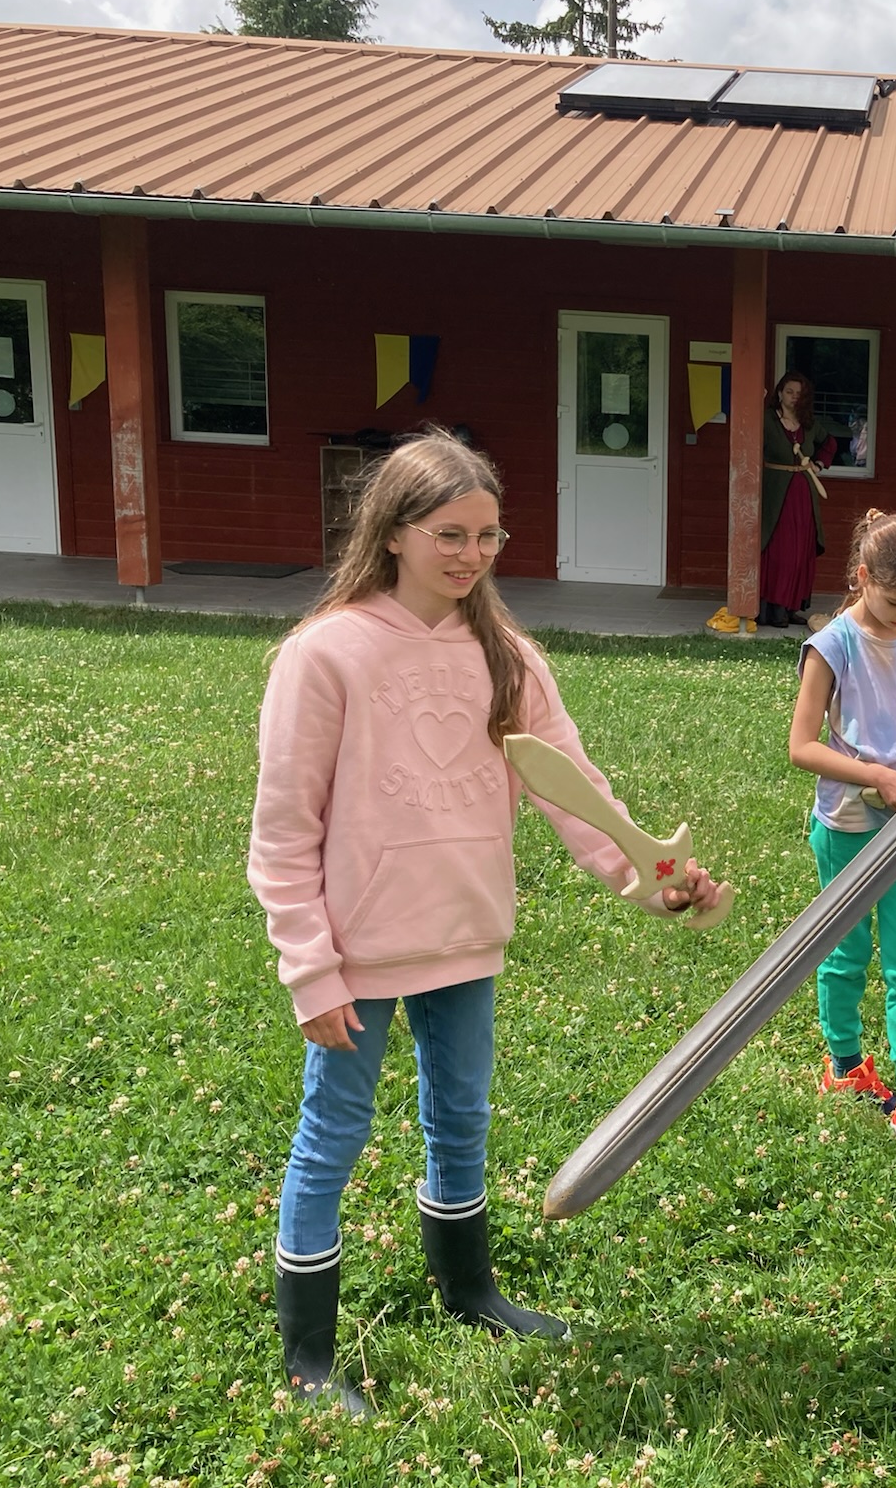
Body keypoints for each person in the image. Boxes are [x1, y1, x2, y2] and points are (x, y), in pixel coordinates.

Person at [248, 432, 719, 1412]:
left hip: (466, 937)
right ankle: (309, 1359)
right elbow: (284, 830)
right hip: (358, 954)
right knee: (333, 1136)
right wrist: (310, 969)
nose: (472, 555)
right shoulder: (324, 654)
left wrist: (652, 879)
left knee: (461, 1119)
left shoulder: (509, 657)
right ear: (392, 533)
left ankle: (469, 1291)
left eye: (488, 536)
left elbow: (574, 792)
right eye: (450, 535)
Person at [787, 510, 896, 1159]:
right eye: (894, 603)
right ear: (862, 577)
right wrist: (876, 775)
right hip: (848, 825)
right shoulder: (833, 646)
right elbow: (802, 746)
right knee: (845, 954)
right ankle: (844, 1064)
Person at [708, 370, 841, 635]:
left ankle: (791, 607)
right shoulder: (766, 419)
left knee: (800, 552)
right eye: (789, 392)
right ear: (780, 393)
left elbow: (829, 443)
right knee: (779, 551)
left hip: (803, 494)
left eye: (799, 393)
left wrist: (818, 464)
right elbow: (745, 434)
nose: (794, 397)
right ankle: (772, 609)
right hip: (775, 492)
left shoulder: (808, 422)